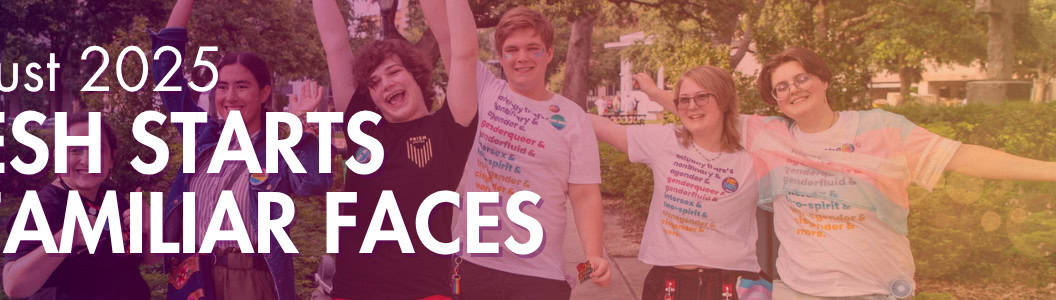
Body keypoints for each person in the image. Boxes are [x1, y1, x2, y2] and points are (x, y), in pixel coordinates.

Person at [747, 46, 1056, 299]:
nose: (793, 90)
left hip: (876, 290)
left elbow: (962, 157)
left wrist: (1050, 170)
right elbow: (716, 112)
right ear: (777, 102)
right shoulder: (768, 137)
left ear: (824, 80)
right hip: (797, 291)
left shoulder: (882, 128)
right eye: (781, 87)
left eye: (801, 78)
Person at [152, 1, 333, 299]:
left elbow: (315, 181)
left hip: (251, 279)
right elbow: (166, 76)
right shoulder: (202, 136)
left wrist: (303, 128)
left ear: (264, 92)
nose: (230, 97)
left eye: (241, 86)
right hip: (195, 276)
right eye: (222, 87)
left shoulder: (278, 150)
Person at [428, 5, 611, 299]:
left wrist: (593, 254)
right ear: (501, 58)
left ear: (549, 53)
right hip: (474, 266)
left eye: (533, 48)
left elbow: (585, 194)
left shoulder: (573, 118)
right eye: (511, 50)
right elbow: (447, 37)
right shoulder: (483, 90)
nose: (522, 57)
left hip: (541, 276)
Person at [311, 0, 478, 299]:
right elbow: (335, 45)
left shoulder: (448, 129)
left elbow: (462, 51)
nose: (385, 84)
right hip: (353, 293)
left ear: (416, 75)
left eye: (393, 72)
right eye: (374, 82)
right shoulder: (364, 131)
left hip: (425, 294)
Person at [590, 66, 766, 300]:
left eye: (702, 96)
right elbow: (600, 126)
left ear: (724, 99)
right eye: (683, 99)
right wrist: (548, 107)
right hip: (669, 285)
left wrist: (655, 94)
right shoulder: (665, 141)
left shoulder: (753, 147)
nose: (691, 106)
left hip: (730, 286)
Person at [2, 112, 151, 300]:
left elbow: (148, 258)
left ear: (112, 158)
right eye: (75, 150)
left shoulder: (112, 198)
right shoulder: (42, 207)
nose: (87, 160)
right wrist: (65, 240)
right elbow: (13, 287)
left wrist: (149, 230)